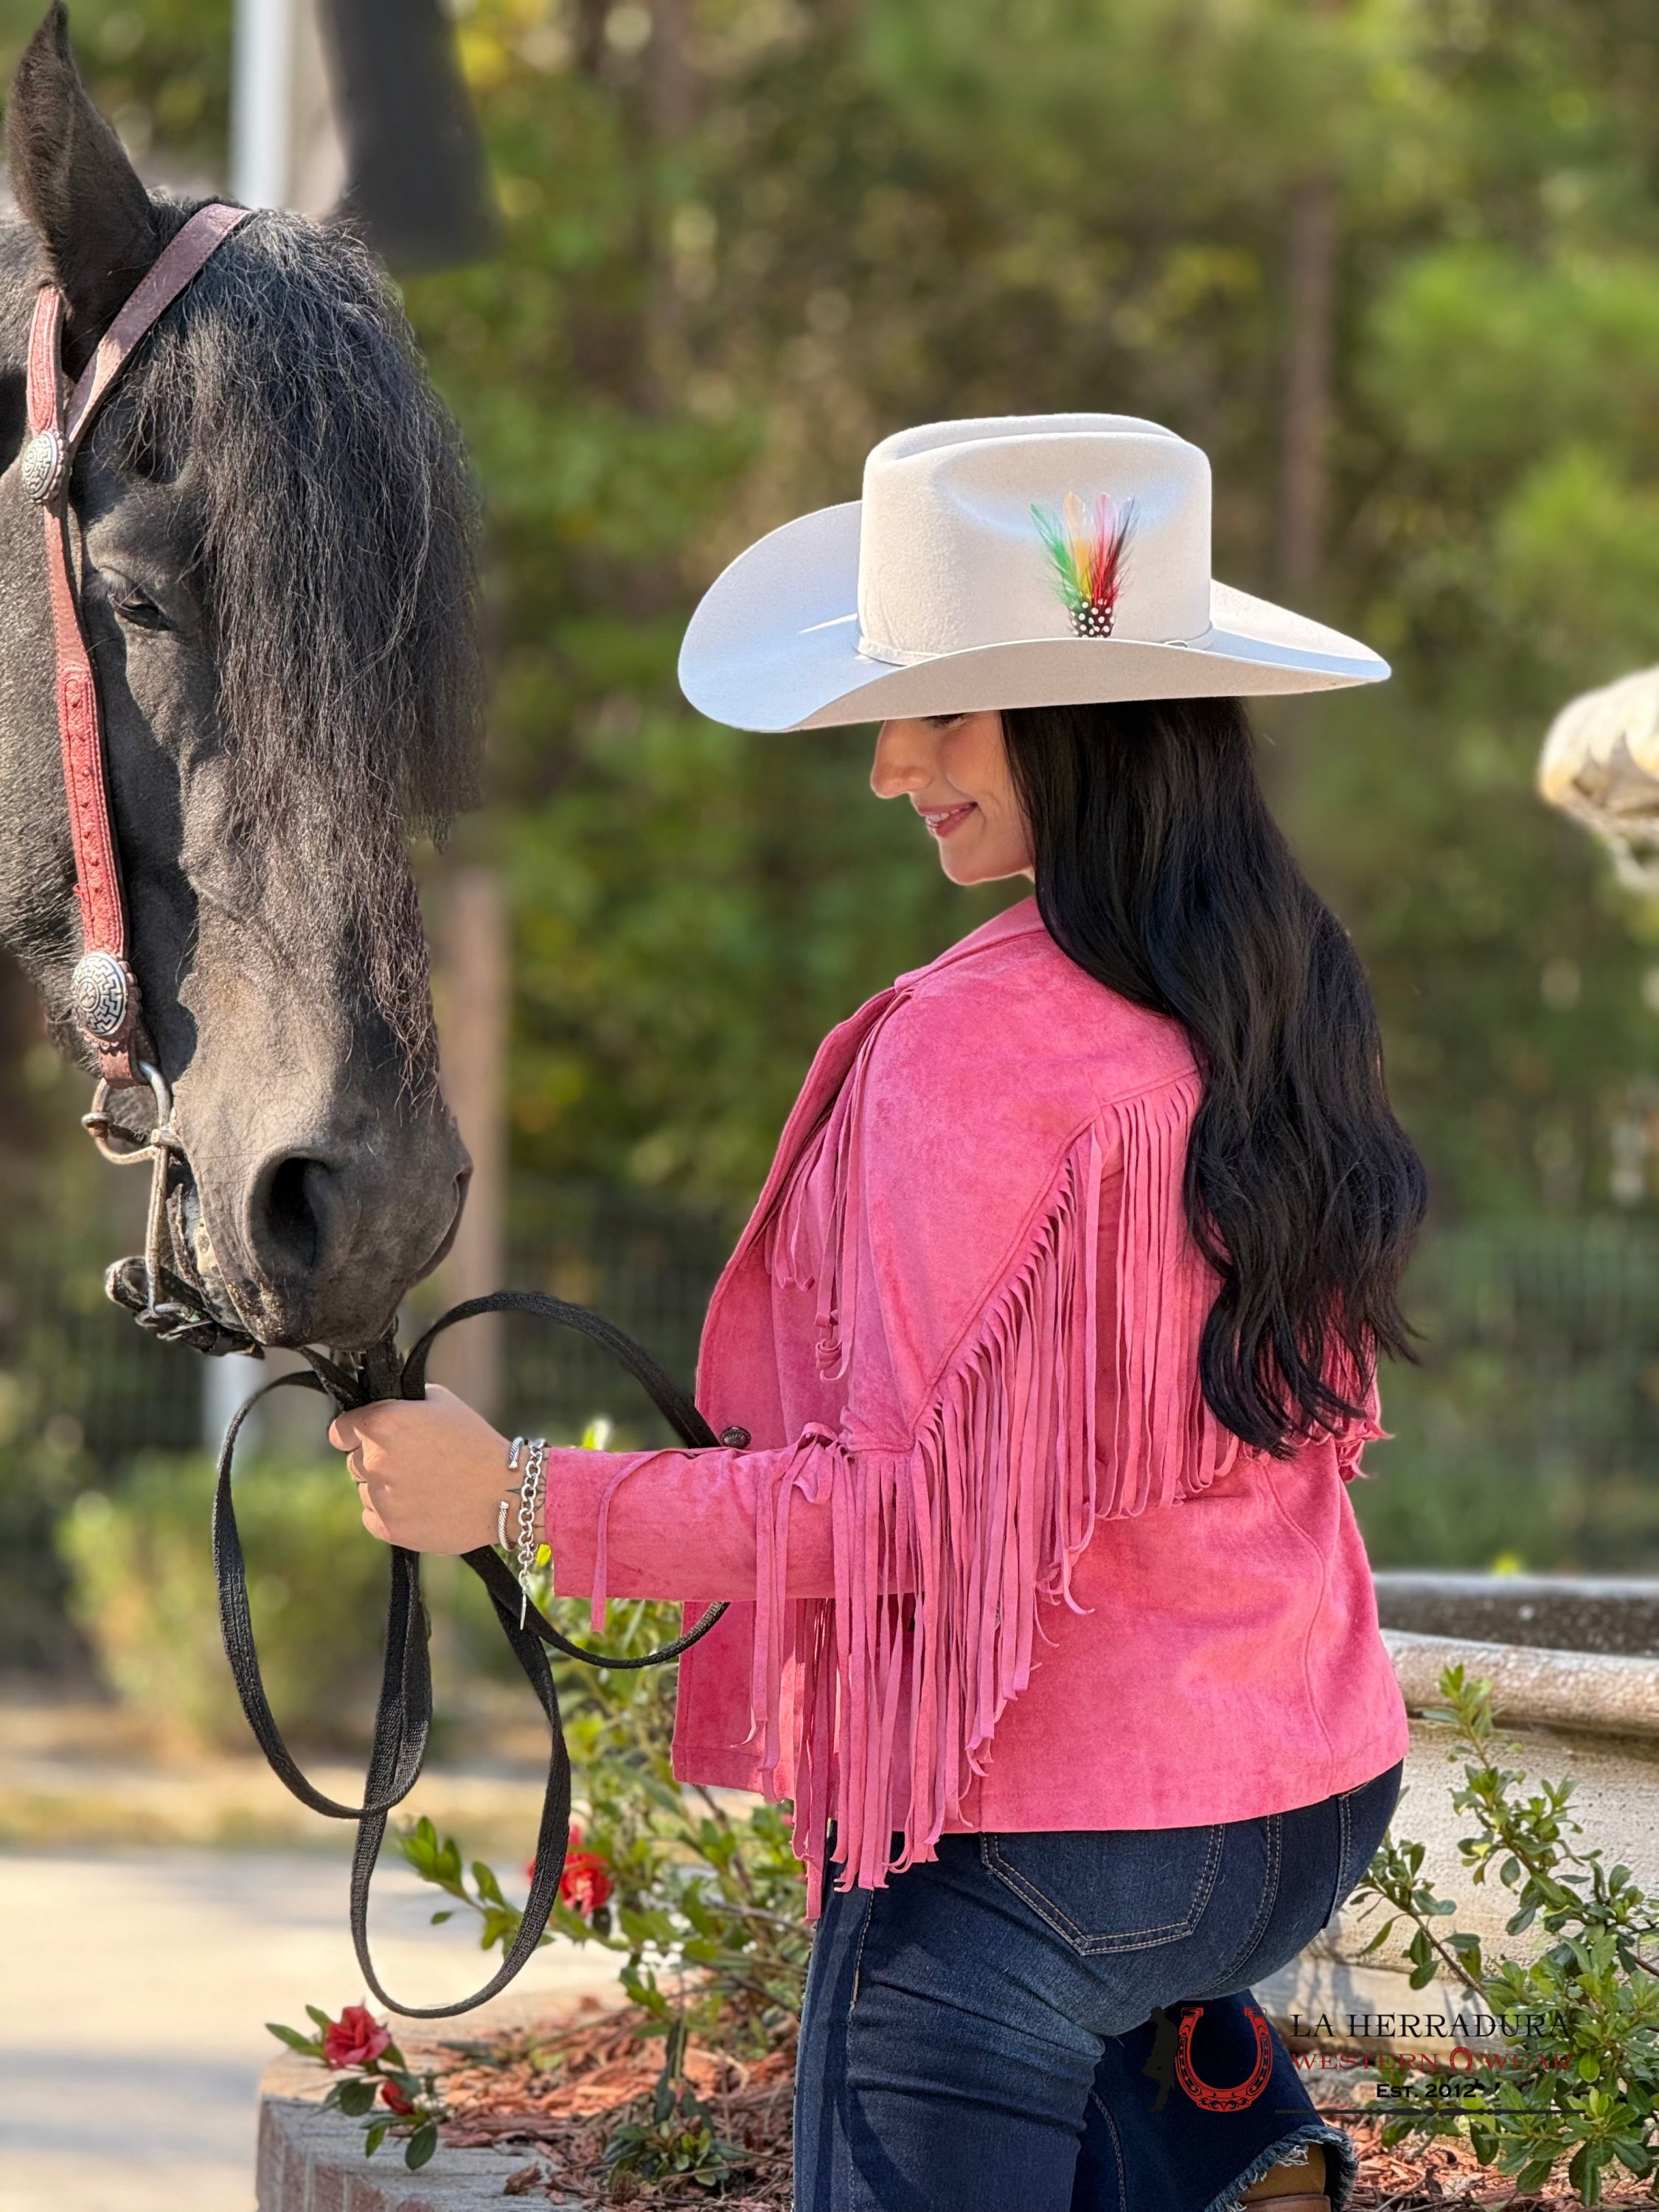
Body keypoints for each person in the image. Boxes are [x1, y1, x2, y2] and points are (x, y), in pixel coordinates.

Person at [333, 415, 1426, 2212]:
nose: (887, 768)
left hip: (1053, 1842)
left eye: (942, 713)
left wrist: (511, 1496)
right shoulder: (1271, 985)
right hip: (1303, 1797)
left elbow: (898, 1520)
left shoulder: (975, 1044)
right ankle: (1223, 2134)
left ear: (1083, 724)